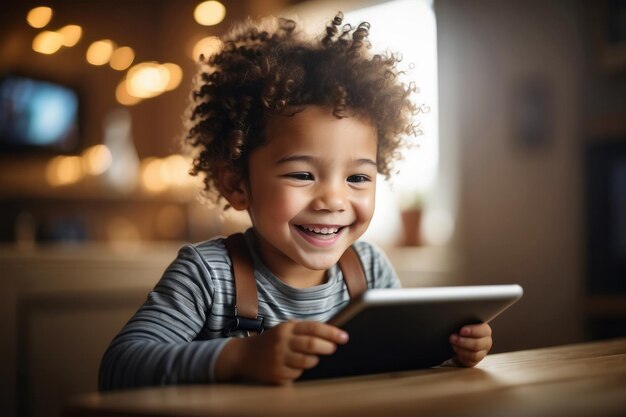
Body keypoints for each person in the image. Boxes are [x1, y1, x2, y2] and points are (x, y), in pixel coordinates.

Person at [99, 12, 492, 390]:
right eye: (302, 175)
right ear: (236, 184)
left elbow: (397, 360)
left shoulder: (370, 271)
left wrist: (448, 348)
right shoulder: (207, 275)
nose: (333, 199)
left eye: (357, 177)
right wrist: (239, 358)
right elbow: (121, 365)